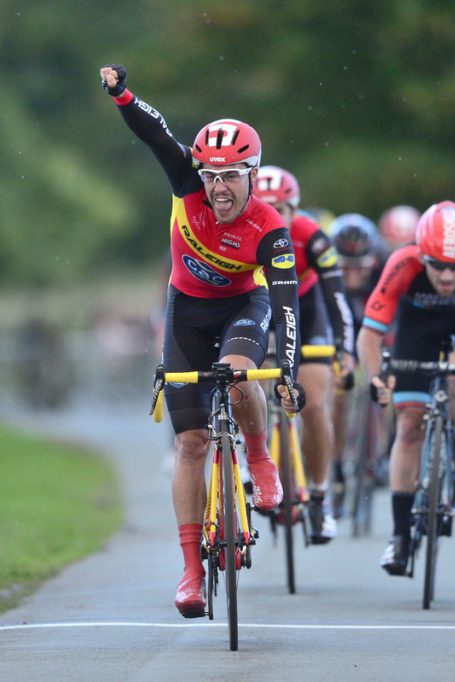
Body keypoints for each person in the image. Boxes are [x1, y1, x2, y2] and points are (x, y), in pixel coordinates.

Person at [99, 64, 304, 618]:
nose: (217, 187)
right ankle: (191, 570)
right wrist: (122, 95)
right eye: (211, 176)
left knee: (239, 380)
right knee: (190, 443)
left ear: (252, 178)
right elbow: (157, 135)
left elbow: (286, 304)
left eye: (230, 176)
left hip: (243, 306)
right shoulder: (187, 186)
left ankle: (259, 459)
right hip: (186, 312)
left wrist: (286, 370)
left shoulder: (270, 229)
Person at [357, 201, 455, 575]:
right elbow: (369, 336)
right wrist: (377, 378)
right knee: (409, 425)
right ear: (421, 255)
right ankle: (399, 537)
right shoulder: (402, 263)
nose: (446, 275)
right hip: (418, 329)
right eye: (437, 265)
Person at [254, 166, 355, 543]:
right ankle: (255, 463)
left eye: (282, 209)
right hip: (260, 307)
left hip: (307, 309)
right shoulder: (240, 232)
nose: (274, 216)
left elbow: (338, 298)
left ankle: (320, 494)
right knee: (244, 386)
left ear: (296, 210)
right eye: (264, 207)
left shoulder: (313, 238)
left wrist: (344, 347)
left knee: (312, 403)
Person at [326, 213, 387, 518]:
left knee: (391, 387)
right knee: (339, 392)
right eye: (345, 268)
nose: (352, 276)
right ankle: (336, 465)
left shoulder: (383, 269)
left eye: (359, 268)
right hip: (340, 338)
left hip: (374, 336)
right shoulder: (327, 277)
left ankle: (382, 454)